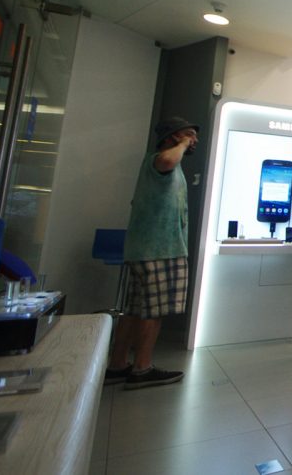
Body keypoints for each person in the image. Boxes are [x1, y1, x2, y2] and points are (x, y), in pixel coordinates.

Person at [105, 117, 199, 390]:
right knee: (153, 312)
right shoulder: (161, 160)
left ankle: (118, 363)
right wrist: (181, 144)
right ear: (172, 137)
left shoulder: (168, 166)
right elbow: (168, 161)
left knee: (135, 310)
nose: (194, 141)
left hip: (148, 248)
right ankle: (142, 367)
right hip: (159, 249)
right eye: (189, 135)